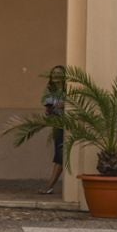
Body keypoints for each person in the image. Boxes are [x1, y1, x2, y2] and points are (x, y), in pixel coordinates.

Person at [39, 65, 67, 195]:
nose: (56, 75)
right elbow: (48, 110)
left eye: (59, 73)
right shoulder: (50, 91)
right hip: (58, 125)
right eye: (54, 73)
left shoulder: (69, 90)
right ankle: (50, 186)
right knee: (59, 155)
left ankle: (50, 185)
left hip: (70, 125)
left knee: (61, 156)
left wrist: (66, 105)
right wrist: (49, 110)